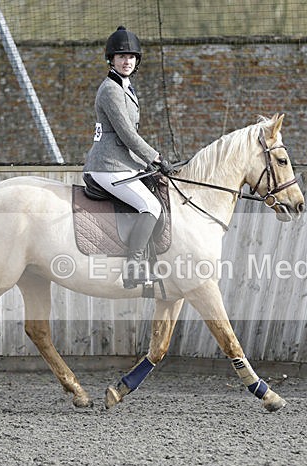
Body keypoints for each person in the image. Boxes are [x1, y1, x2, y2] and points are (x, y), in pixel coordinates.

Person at [83, 26, 175, 289]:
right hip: (108, 165)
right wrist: (154, 158)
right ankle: (133, 267)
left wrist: (148, 163)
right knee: (151, 207)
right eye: (121, 56)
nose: (127, 61)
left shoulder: (126, 87)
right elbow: (126, 133)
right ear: (111, 59)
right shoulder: (110, 90)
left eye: (132, 57)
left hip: (122, 163)